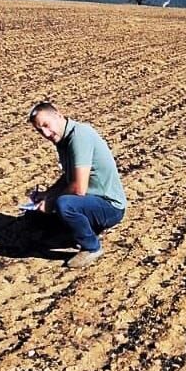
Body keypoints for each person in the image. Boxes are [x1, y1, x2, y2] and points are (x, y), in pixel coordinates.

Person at [27, 102, 127, 268]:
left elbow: (78, 188)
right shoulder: (62, 139)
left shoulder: (79, 136)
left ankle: (92, 247)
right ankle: (82, 229)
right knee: (37, 216)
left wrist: (51, 202)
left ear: (58, 115)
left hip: (110, 206)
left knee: (64, 204)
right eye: (39, 130)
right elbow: (69, 176)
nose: (45, 133)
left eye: (46, 125)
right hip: (91, 200)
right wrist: (47, 194)